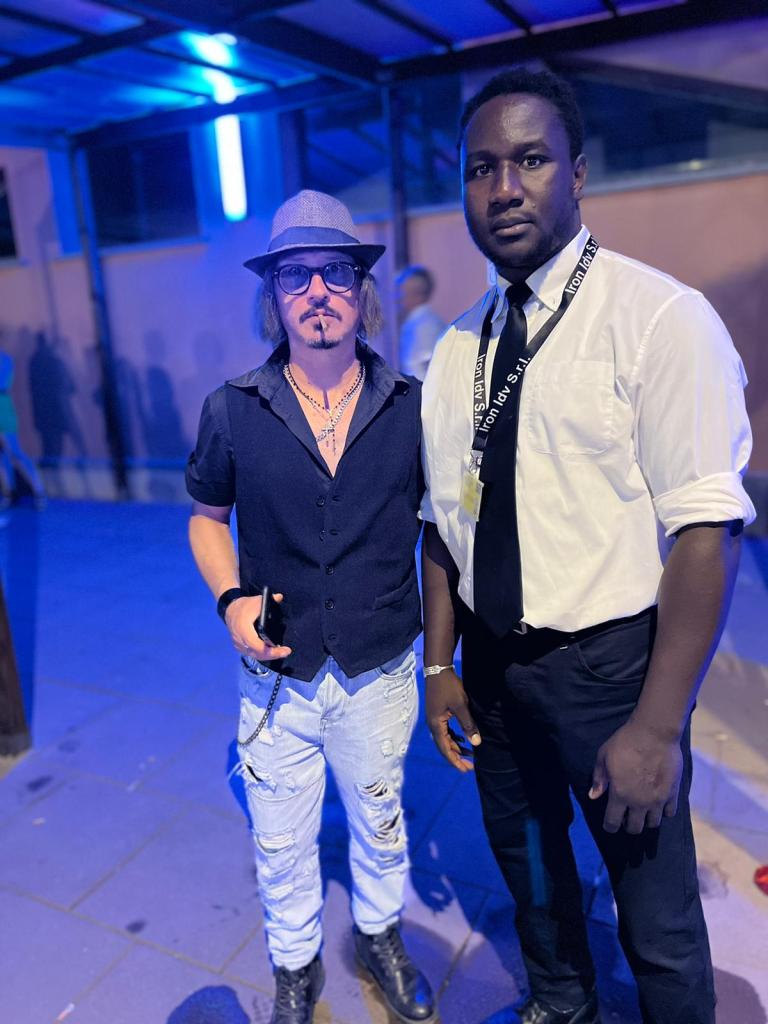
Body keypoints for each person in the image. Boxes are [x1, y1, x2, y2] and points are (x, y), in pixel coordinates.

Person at [420, 68, 755, 1024]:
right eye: (481, 168)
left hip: (610, 672)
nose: (504, 188)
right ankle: (561, 1003)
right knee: (529, 865)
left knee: (656, 916)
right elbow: (441, 523)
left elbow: (708, 531)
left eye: (530, 160)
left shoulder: (658, 319)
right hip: (492, 666)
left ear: (576, 174)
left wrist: (656, 727)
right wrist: (438, 665)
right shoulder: (454, 348)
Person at [186, 190, 435, 1024]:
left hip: (380, 666)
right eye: (296, 275)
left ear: (362, 288)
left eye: (335, 271)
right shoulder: (231, 409)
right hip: (276, 678)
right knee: (281, 840)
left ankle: (379, 934)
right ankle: (294, 965)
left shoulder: (413, 407)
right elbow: (206, 518)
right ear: (274, 294)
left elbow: (446, 528)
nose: (318, 290)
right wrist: (230, 600)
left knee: (382, 820)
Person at [0, 350, 46, 508]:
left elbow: (3, 383)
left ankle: (39, 490)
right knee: (2, 455)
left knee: (13, 450)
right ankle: (10, 492)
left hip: (3, 409)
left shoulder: (5, 359)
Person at [396, 266, 445, 380]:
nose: (397, 298)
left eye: (401, 291)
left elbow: (424, 369)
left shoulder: (427, 326)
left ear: (418, 294)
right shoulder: (415, 322)